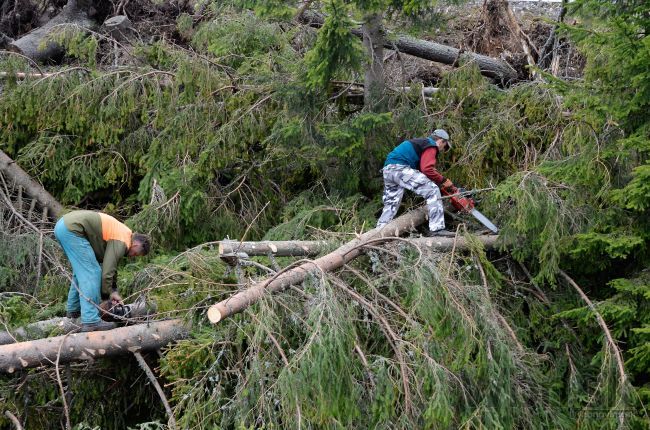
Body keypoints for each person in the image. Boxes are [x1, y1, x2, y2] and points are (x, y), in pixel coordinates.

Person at [54, 210, 150, 332]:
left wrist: (113, 291)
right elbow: (107, 272)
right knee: (93, 273)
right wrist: (107, 298)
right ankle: (91, 321)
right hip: (72, 229)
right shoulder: (122, 240)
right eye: (135, 254)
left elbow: (111, 265)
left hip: (64, 226)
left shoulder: (123, 235)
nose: (132, 256)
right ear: (136, 245)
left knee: (81, 272)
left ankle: (74, 311)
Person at [377, 129, 464, 236]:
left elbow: (425, 173)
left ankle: (378, 232)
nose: (442, 149)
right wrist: (443, 180)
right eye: (444, 146)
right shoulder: (431, 145)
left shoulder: (421, 144)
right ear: (441, 141)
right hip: (400, 168)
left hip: (388, 169)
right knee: (432, 190)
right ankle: (437, 229)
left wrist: (440, 182)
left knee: (391, 203)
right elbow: (427, 169)